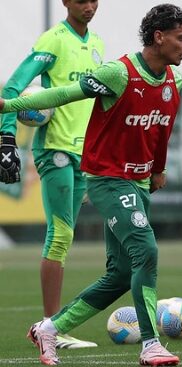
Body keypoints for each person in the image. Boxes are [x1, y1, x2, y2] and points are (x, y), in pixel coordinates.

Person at [0, 3, 182, 366]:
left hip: (137, 181)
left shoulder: (174, 81)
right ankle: (151, 344)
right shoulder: (118, 72)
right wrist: (10, 106)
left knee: (121, 274)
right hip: (106, 179)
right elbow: (63, 94)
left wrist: (158, 169)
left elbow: (162, 131)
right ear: (159, 37)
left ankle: (50, 328)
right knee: (145, 251)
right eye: (181, 38)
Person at [0, 0, 104, 349]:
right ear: (65, 2)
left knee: (66, 237)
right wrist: (6, 136)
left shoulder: (98, 45)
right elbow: (12, 87)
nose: (88, 6)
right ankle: (50, 329)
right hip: (55, 149)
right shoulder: (53, 40)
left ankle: (52, 326)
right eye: (80, 0)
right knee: (58, 236)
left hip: (84, 154)